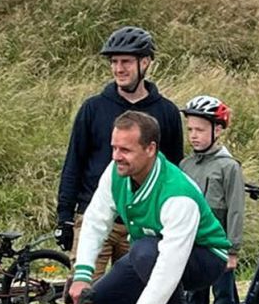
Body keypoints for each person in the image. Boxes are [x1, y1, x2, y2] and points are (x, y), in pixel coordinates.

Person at [68, 111, 230, 304]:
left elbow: (169, 267)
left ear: (151, 149)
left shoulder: (178, 195)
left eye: (126, 150)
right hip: (149, 253)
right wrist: (83, 274)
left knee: (144, 251)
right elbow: (96, 220)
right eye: (114, 147)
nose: (116, 156)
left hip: (205, 257)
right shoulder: (116, 173)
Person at [55, 26, 184, 287]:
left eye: (126, 61)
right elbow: (74, 163)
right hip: (94, 215)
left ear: (145, 63)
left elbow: (174, 170)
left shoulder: (166, 112)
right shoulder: (93, 108)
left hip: (143, 222)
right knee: (82, 297)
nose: (118, 69)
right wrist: (65, 217)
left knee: (133, 299)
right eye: (114, 62)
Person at [180, 96, 245, 304]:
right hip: (194, 246)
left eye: (200, 130)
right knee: (195, 301)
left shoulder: (229, 167)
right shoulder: (185, 165)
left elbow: (236, 209)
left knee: (224, 303)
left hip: (219, 246)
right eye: (190, 130)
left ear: (217, 130)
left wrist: (233, 249)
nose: (194, 136)